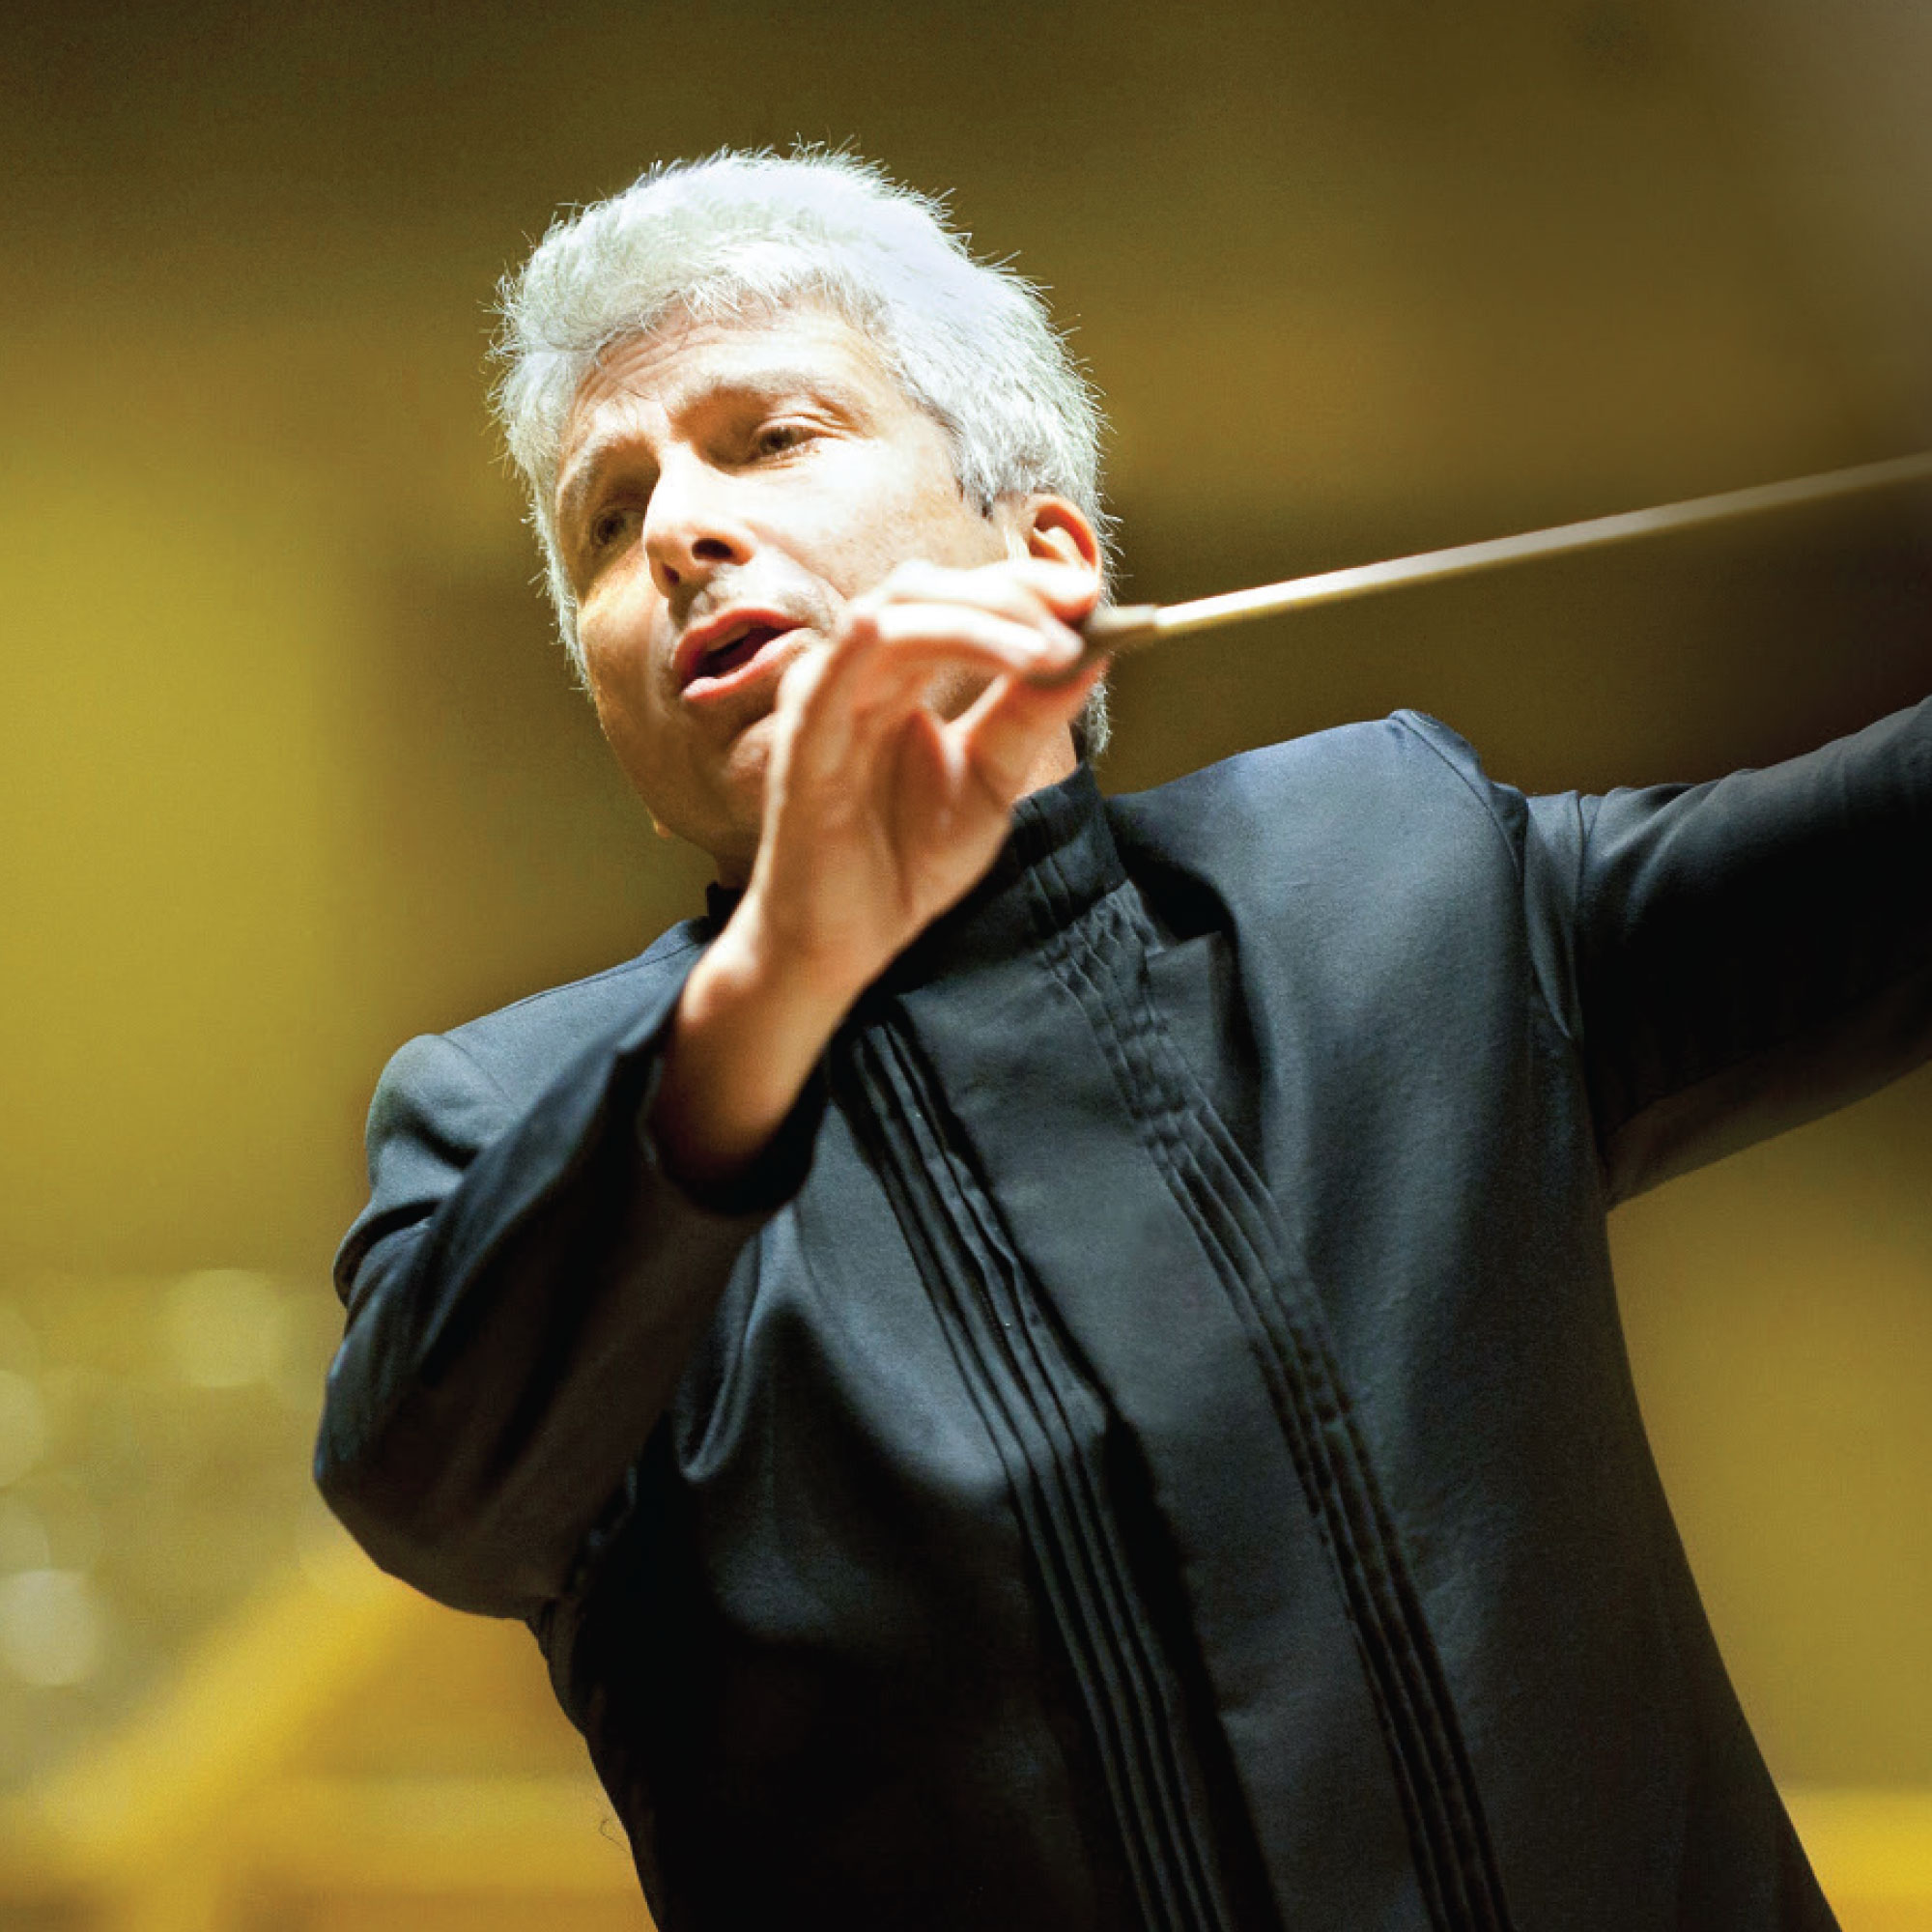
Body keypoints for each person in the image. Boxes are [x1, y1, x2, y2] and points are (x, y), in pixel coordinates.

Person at [317, 150, 1926, 1931]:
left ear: (1050, 559)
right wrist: (779, 971)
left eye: (770, 438)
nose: (679, 534)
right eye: (606, 522)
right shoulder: (513, 1116)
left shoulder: (1391, 880)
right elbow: (430, 1494)